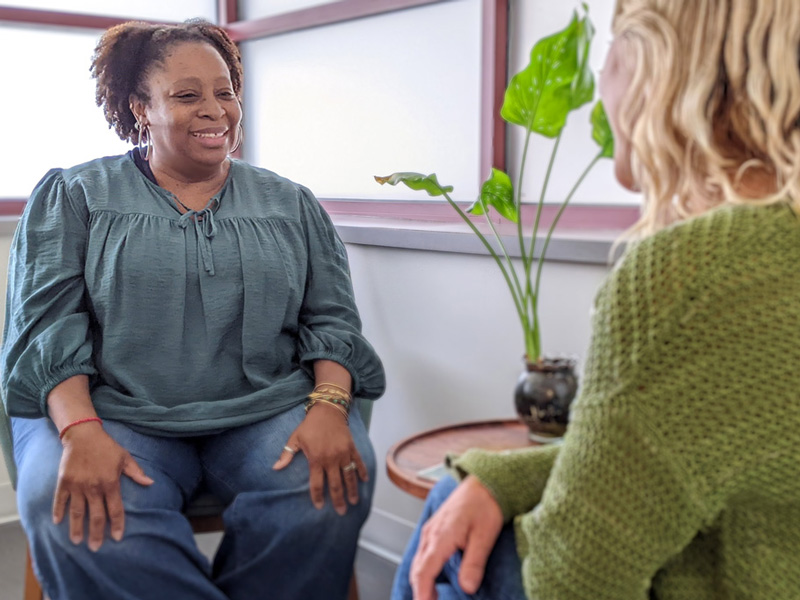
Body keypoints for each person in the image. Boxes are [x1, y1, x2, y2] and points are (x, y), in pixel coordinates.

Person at [391, 0, 800, 599]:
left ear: (664, 65)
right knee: (470, 490)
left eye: (614, 46)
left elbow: (574, 582)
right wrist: (506, 475)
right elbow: (717, 463)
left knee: (449, 511)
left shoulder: (695, 279)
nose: (601, 76)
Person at [1, 19, 385, 600]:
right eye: (187, 95)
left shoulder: (290, 203)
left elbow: (332, 321)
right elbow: (45, 333)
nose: (215, 110)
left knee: (330, 485)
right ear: (139, 108)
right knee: (75, 509)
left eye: (225, 92)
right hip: (113, 412)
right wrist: (80, 430)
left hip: (263, 409)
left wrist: (331, 405)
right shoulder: (76, 195)